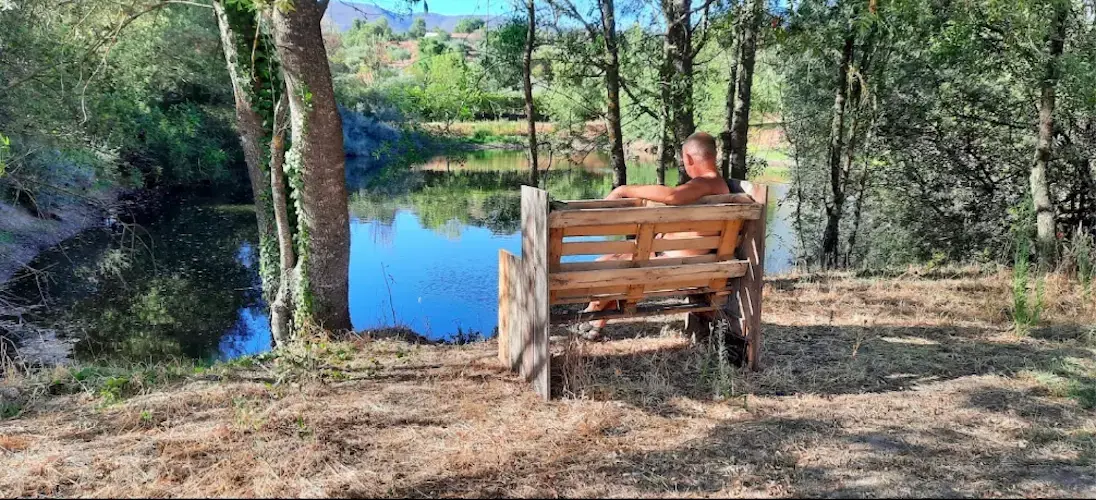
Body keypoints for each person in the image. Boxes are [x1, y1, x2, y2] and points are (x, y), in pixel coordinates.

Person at [575, 131, 744, 340]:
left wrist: (624, 189)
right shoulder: (718, 186)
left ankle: (588, 317)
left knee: (606, 267)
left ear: (688, 158)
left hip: (678, 266)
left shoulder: (705, 183)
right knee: (611, 262)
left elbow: (673, 195)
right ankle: (594, 324)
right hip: (694, 263)